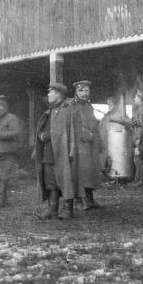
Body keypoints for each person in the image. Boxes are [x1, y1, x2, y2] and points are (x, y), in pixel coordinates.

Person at [34, 83, 76, 220]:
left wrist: (44, 136)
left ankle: (67, 210)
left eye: (51, 92)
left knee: (65, 180)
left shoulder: (67, 109)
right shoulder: (51, 110)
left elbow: (63, 131)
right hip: (48, 152)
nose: (48, 94)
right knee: (51, 182)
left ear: (59, 94)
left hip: (61, 151)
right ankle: (52, 209)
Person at [70, 80, 104, 210]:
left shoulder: (89, 106)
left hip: (91, 144)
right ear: (76, 92)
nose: (85, 93)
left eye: (87, 90)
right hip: (79, 144)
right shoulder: (72, 106)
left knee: (90, 172)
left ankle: (89, 199)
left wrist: (99, 140)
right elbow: (73, 125)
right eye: (81, 90)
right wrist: (86, 135)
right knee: (79, 172)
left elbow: (94, 124)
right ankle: (77, 200)